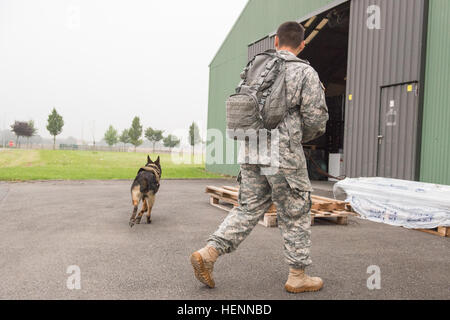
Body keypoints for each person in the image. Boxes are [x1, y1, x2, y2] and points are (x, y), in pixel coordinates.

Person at [190, 21, 329, 293]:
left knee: (246, 208)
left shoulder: (256, 68)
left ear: (276, 42)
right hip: (284, 155)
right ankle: (297, 276)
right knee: (295, 211)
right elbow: (316, 119)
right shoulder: (305, 72)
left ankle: (208, 253)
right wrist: (300, 138)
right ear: (302, 45)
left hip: (252, 149)